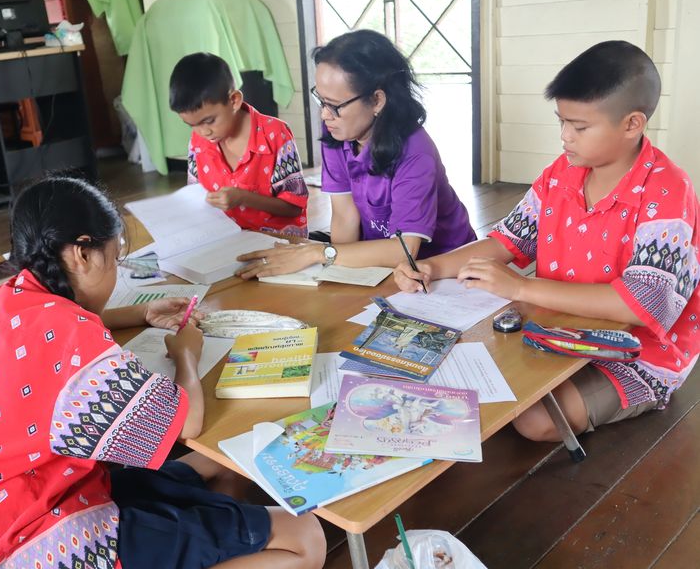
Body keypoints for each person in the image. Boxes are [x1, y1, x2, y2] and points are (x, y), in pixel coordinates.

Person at [0, 176, 326, 569]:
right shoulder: (72, 338)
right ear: (82, 253)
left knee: (222, 467)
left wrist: (140, 313)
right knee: (306, 538)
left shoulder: (7, 299)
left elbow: (54, 335)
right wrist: (187, 355)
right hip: (34, 550)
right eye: (115, 258)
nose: (115, 271)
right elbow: (187, 423)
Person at [395, 40, 699, 440]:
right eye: (562, 122)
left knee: (535, 419)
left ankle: (649, 391)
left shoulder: (667, 191)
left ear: (632, 124)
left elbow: (641, 306)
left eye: (579, 127)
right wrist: (432, 266)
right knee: (459, 365)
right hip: (557, 327)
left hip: (635, 352)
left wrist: (520, 287)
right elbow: (507, 241)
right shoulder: (563, 173)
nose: (565, 136)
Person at [236, 30, 475, 279]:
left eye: (334, 105)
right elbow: (345, 216)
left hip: (441, 269)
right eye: (321, 100)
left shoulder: (415, 152)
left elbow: (404, 250)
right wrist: (334, 274)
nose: (325, 114)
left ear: (377, 100)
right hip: (380, 262)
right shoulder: (338, 132)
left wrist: (318, 253)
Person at [170, 52, 309, 237]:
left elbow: (294, 207)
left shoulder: (275, 134)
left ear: (234, 100)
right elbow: (195, 200)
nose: (203, 132)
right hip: (225, 240)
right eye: (192, 125)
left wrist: (243, 198)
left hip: (277, 242)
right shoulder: (198, 142)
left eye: (209, 121)